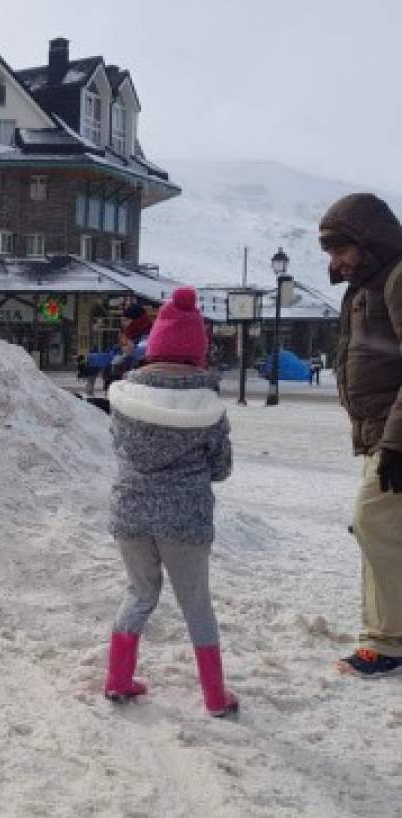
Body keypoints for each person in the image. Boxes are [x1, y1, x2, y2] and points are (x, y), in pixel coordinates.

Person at [102, 287, 238, 717]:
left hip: (132, 512)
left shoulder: (124, 400)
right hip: (185, 520)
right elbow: (221, 468)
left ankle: (118, 679)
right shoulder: (210, 408)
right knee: (196, 602)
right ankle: (216, 697)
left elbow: (119, 449)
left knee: (139, 593)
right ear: (197, 351)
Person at [319, 193, 402, 677]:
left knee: (373, 523)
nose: (336, 261)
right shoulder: (368, 284)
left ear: (367, 242)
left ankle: (386, 643)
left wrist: (394, 443)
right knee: (384, 528)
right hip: (381, 433)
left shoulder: (395, 278)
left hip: (394, 436)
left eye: (339, 250)